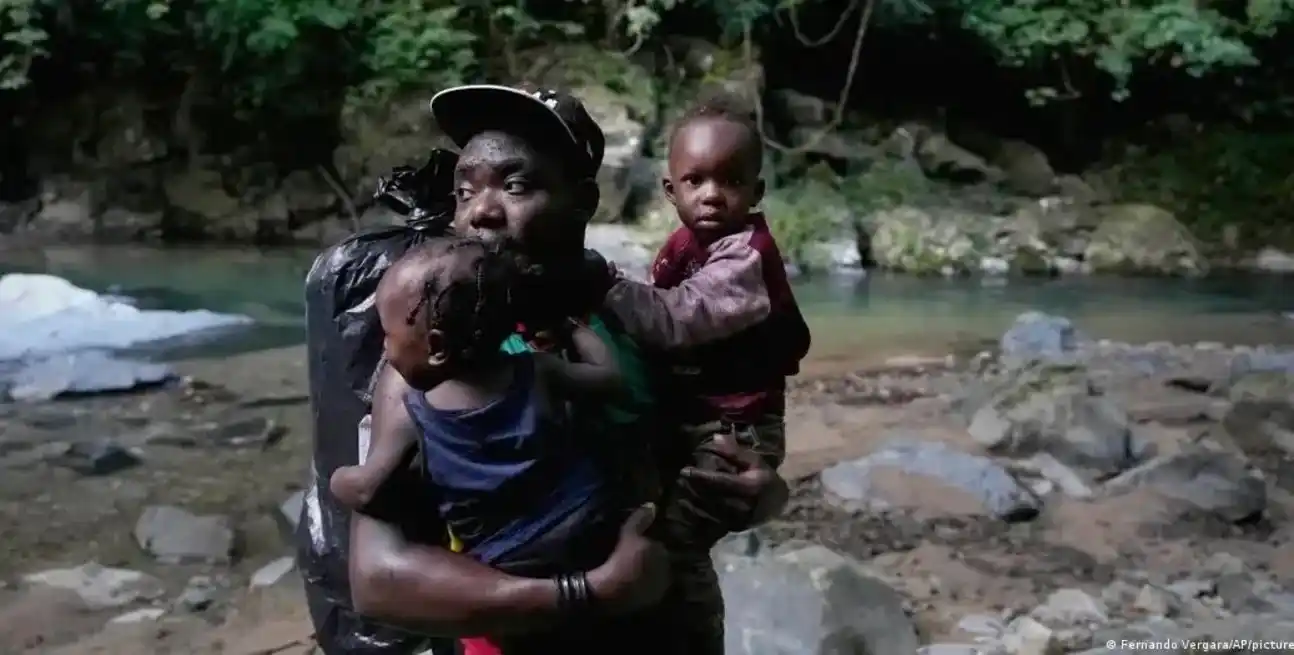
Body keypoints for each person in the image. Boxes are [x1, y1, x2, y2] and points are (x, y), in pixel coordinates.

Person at [323, 84, 787, 654]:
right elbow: (379, 580)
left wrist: (758, 494)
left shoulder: (635, 325)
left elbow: (691, 464)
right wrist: (587, 592)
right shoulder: (434, 363)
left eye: (515, 186)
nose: (481, 212)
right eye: (465, 191)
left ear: (584, 200)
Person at [596, 91, 810, 637]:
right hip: (703, 415)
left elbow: (676, 318)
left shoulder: (744, 257)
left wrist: (601, 284)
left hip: (737, 428)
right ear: (671, 190)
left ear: (756, 191)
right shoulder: (685, 245)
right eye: (696, 182)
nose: (712, 195)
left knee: (678, 538)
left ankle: (692, 624)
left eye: (731, 181)